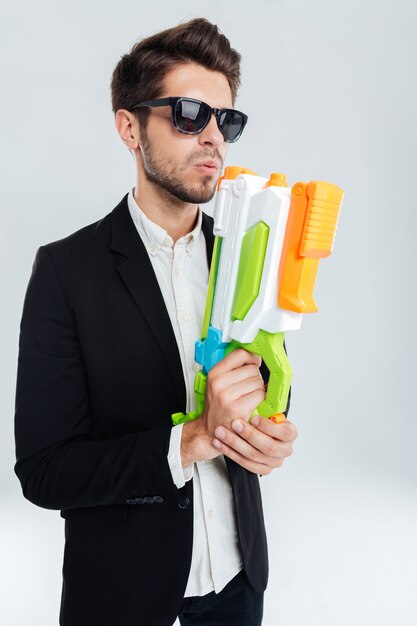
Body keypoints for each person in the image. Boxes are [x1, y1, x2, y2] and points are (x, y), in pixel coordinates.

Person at [14, 17, 298, 626]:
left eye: (227, 120)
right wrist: (192, 439)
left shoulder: (243, 256)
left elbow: (266, 378)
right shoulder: (66, 271)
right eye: (190, 113)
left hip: (239, 585)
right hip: (121, 597)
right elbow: (44, 471)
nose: (214, 138)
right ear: (129, 127)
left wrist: (268, 430)